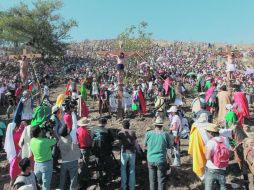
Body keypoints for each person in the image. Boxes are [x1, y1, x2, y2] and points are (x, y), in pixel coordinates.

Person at [144, 117, 172, 190]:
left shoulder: (148, 134)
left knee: (152, 181)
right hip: (161, 160)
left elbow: (144, 145)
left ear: (155, 125)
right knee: (161, 180)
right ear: (161, 125)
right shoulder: (165, 134)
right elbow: (169, 146)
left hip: (151, 159)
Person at [204, 123, 230, 190]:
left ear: (210, 132)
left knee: (208, 187)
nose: (206, 133)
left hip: (211, 169)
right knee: (222, 187)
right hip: (222, 168)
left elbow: (207, 157)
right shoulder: (225, 140)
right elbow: (230, 152)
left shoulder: (211, 142)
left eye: (207, 132)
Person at [90, 117, 114, 186]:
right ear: (105, 123)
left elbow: (91, 140)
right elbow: (112, 141)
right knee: (108, 165)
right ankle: (109, 179)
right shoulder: (107, 130)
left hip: (96, 151)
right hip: (105, 152)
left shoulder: (92, 130)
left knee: (98, 166)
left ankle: (99, 180)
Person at [58, 126, 81, 190]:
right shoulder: (70, 138)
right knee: (73, 178)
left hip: (64, 162)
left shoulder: (60, 140)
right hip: (73, 161)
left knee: (62, 178)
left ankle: (61, 188)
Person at [188, 113, 210, 180]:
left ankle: (201, 174)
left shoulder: (194, 124)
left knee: (198, 158)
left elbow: (191, 135)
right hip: (204, 145)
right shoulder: (207, 125)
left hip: (196, 145)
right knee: (204, 159)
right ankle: (204, 174)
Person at [118, 119, 137, 190]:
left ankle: (124, 186)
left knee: (123, 169)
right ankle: (132, 187)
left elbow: (119, 144)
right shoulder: (133, 132)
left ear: (122, 126)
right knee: (132, 170)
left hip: (124, 152)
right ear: (129, 126)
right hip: (132, 152)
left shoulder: (120, 133)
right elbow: (135, 143)